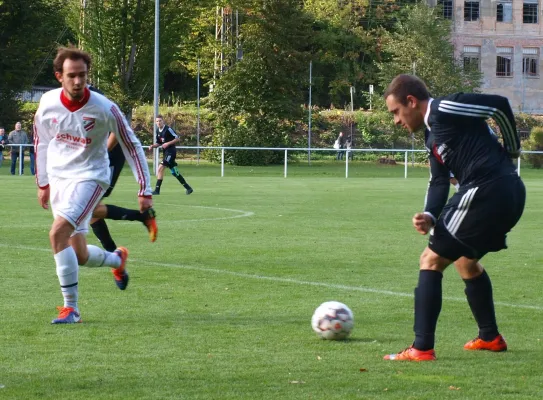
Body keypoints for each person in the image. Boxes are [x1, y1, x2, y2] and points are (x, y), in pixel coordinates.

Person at [382, 74, 525, 361]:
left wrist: (512, 149)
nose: (396, 120)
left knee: (430, 260)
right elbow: (439, 181)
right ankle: (490, 338)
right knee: (465, 261)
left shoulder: (444, 108)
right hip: (505, 194)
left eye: (396, 112)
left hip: (487, 189)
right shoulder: (431, 135)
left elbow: (498, 104)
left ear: (411, 101)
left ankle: (421, 348)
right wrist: (429, 215)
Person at [34, 46, 153, 324]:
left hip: (91, 177)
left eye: (83, 76)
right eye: (72, 76)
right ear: (59, 76)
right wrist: (43, 182)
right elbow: (41, 140)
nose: (78, 82)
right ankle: (117, 260)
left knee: (57, 234)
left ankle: (70, 309)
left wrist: (144, 189)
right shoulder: (48, 102)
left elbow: (131, 145)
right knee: (80, 253)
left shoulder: (103, 107)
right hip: (60, 178)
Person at [86, 85, 158, 249]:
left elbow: (117, 132)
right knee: (89, 210)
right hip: (93, 160)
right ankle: (115, 255)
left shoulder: (96, 99)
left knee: (88, 208)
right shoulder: (64, 100)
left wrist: (102, 153)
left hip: (110, 158)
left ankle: (116, 253)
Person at [150, 115, 193, 195]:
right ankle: (188, 188)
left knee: (160, 168)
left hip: (171, 152)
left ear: (163, 121)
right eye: (157, 121)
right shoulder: (157, 131)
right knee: (174, 172)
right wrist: (153, 146)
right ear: (155, 122)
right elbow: (159, 143)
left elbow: (177, 138)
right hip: (166, 153)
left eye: (160, 121)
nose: (159, 122)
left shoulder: (168, 129)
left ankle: (157, 190)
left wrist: (167, 143)